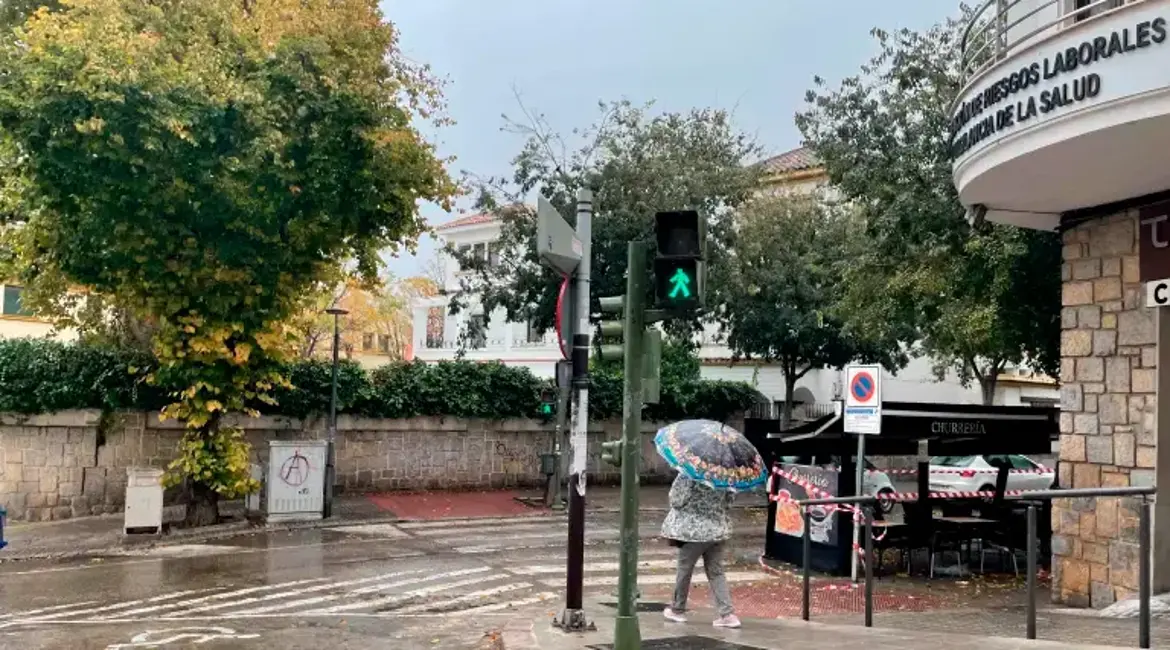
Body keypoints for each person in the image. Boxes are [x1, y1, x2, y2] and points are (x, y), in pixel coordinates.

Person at [660, 472, 740, 628]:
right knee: (716, 572)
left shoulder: (689, 473)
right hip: (717, 530)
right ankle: (727, 614)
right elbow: (729, 502)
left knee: (685, 568)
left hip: (693, 531)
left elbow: (676, 500)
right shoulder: (725, 475)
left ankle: (677, 609)